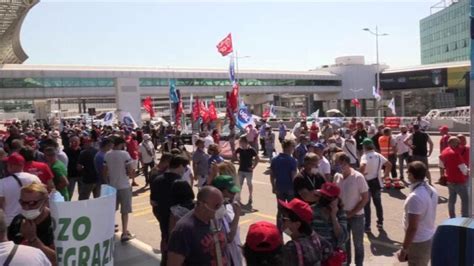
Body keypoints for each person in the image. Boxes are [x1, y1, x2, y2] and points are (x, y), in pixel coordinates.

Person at [167, 186, 228, 266]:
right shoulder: (183, 230)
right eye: (216, 206)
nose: (220, 209)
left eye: (221, 204)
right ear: (202, 205)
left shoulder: (214, 219)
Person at [150, 155, 189, 265]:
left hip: (162, 217)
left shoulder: (157, 179)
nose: (185, 170)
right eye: (185, 167)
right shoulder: (181, 183)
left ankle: (164, 260)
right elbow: (189, 205)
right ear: (180, 166)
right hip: (178, 222)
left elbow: (153, 201)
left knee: (165, 240)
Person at [397, 161, 438, 266]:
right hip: (427, 236)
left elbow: (413, 227)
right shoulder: (432, 190)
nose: (408, 176)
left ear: (412, 175)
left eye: (408, 174)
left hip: (418, 241)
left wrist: (404, 249)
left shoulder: (415, 197)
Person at [333, 152, 369, 266]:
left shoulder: (358, 177)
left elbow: (365, 198)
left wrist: (352, 213)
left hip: (357, 217)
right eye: (335, 163)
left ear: (346, 163)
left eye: (339, 163)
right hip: (342, 216)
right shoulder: (337, 176)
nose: (337, 166)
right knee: (344, 243)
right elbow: (335, 196)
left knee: (358, 244)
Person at [8, 183, 56, 265]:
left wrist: (33, 239)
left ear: (45, 201)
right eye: (23, 203)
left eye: (32, 203)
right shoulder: (18, 220)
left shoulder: (55, 223)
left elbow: (58, 259)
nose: (26, 207)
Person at [279, 198, 333, 266]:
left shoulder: (292, 248)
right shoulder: (319, 241)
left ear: (297, 224)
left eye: (284, 219)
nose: (281, 220)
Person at [103, 136, 135, 242]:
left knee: (112, 210)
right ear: (121, 144)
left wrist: (109, 180)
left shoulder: (107, 155)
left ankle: (109, 228)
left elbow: (104, 171)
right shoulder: (125, 154)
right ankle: (124, 232)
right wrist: (130, 176)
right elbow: (130, 170)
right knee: (125, 211)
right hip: (124, 185)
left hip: (112, 186)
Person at [0, 153, 41, 226]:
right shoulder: (34, 178)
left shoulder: (2, 183)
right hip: (31, 221)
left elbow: (1, 206)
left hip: (10, 222)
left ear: (11, 166)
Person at [359, 138, 391, 232]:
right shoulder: (378, 155)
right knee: (378, 204)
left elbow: (362, 166)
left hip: (367, 183)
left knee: (367, 205)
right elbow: (389, 164)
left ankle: (367, 225)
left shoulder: (365, 156)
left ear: (364, 146)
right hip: (377, 182)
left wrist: (361, 174)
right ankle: (380, 223)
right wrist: (385, 175)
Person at [211, 175, 243, 266]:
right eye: (230, 192)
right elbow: (228, 238)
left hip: (234, 254)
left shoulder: (228, 206)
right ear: (220, 192)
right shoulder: (214, 213)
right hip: (224, 257)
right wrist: (237, 215)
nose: (233, 195)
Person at [312, 183, 348, 251]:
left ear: (335, 199)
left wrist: (333, 216)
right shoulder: (313, 211)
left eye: (328, 197)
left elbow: (341, 236)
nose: (324, 199)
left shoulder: (340, 213)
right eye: (323, 195)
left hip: (335, 253)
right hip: (318, 252)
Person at [270, 139, 297, 230]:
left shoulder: (275, 159)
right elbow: (293, 176)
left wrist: (273, 186)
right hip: (290, 188)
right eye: (293, 146)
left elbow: (272, 175)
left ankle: (279, 230)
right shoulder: (292, 160)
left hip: (279, 187)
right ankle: (291, 229)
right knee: (291, 210)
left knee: (280, 210)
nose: (293, 148)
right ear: (289, 147)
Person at [439, 137, 469, 218]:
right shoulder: (455, 154)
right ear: (452, 143)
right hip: (459, 180)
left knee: (452, 199)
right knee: (465, 199)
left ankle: (452, 216)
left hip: (449, 179)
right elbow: (464, 170)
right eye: (457, 142)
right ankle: (465, 216)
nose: (459, 144)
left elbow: (441, 165)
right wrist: (469, 171)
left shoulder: (444, 151)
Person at [235, 136, 259, 208]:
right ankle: (238, 198)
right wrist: (238, 159)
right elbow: (234, 154)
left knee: (249, 184)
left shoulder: (251, 150)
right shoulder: (239, 149)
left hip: (248, 170)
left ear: (245, 142)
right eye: (240, 142)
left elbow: (257, 158)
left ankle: (250, 197)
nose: (240, 144)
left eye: (241, 142)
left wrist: (253, 167)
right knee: (239, 184)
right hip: (241, 169)